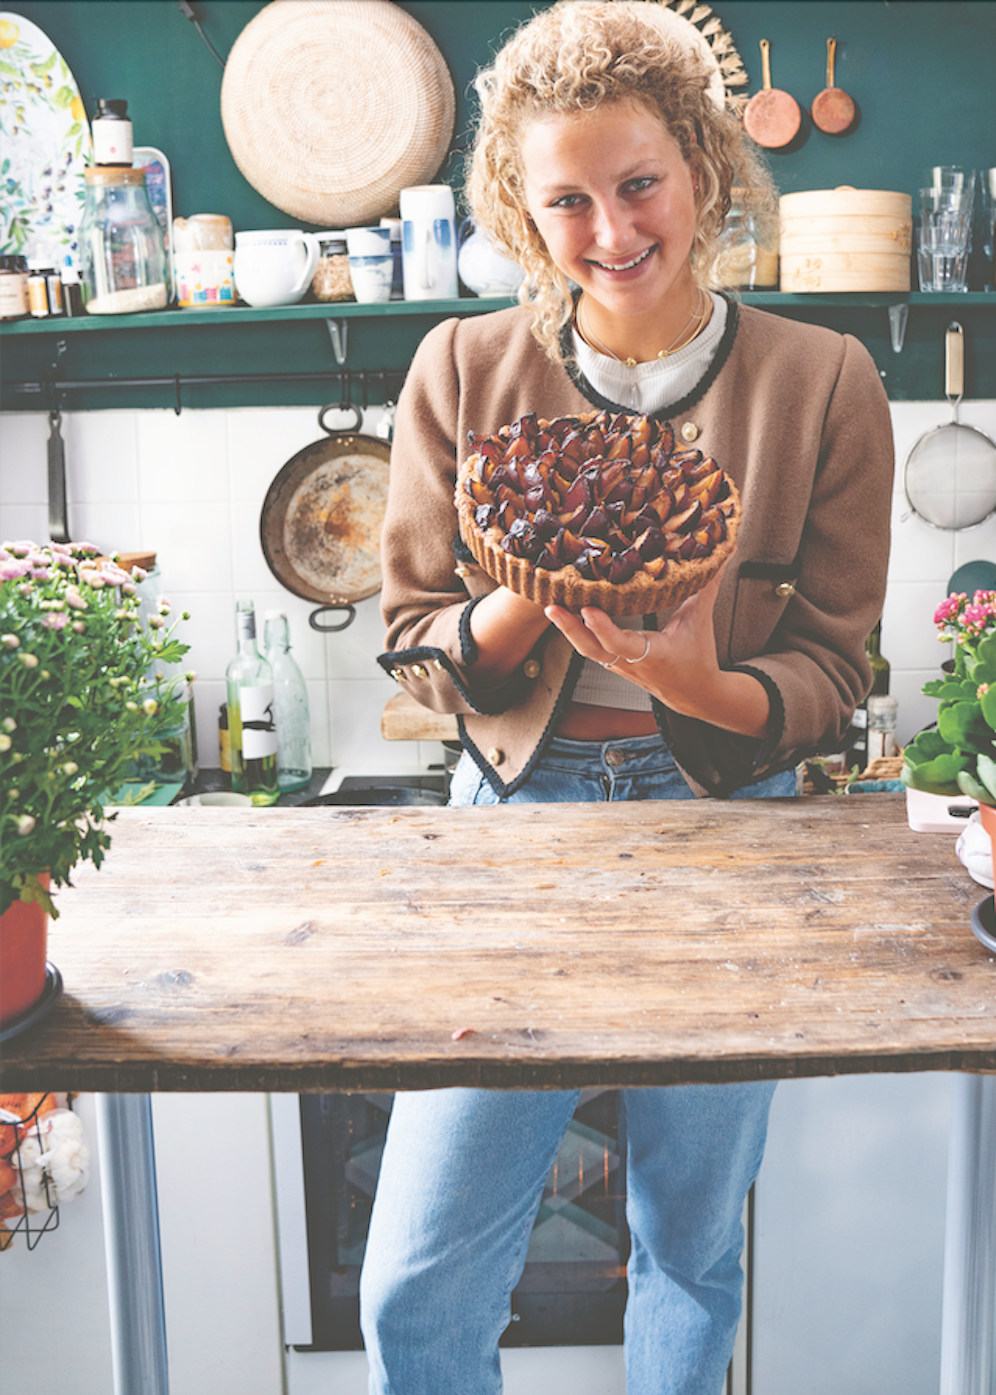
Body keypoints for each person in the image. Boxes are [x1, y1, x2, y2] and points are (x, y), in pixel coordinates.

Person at [363, 3, 893, 1391]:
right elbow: (417, 644)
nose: (611, 228)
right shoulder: (466, 373)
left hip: (733, 829)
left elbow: (837, 672)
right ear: (521, 214)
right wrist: (535, 573)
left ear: (708, 168)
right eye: (568, 199)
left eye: (640, 181)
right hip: (515, 825)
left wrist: (697, 680)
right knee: (417, 1285)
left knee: (692, 1250)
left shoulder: (824, 381)